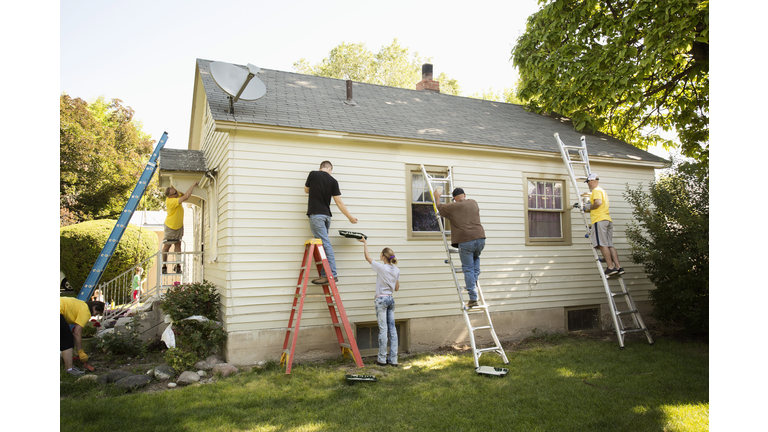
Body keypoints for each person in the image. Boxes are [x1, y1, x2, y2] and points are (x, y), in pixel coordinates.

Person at [304, 161, 358, 285]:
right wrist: (350, 217)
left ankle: (331, 274)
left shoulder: (313, 174)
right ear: (330, 169)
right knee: (323, 245)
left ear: (320, 168)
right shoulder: (333, 181)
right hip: (327, 217)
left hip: (316, 216)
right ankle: (325, 274)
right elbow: (339, 202)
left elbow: (306, 190)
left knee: (325, 245)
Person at [434, 187, 486, 308]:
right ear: (464, 195)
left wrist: (437, 196)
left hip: (466, 241)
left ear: (454, 199)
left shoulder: (453, 206)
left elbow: (440, 208)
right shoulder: (473, 202)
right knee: (476, 259)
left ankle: (473, 299)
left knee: (468, 269)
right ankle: (475, 278)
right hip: (480, 239)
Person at [358, 237, 400, 367]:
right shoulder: (396, 270)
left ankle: (382, 359)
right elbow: (397, 288)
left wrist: (365, 243)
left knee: (383, 330)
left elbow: (367, 257)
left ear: (383, 257)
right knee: (392, 330)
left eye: (381, 255)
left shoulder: (381, 268)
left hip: (381, 299)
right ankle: (393, 360)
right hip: (391, 299)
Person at [583, 173, 624, 276]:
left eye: (588, 182)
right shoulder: (603, 191)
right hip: (607, 220)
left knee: (602, 244)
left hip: (599, 220)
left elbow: (598, 203)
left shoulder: (596, 191)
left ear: (591, 181)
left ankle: (610, 267)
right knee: (610, 244)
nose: (588, 184)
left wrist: (588, 207)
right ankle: (618, 267)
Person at [60, 297, 105, 376]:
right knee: (67, 340)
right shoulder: (86, 311)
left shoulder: (81, 305)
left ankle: (68, 366)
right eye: (96, 313)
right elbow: (77, 333)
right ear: (93, 308)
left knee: (65, 338)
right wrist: (80, 352)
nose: (94, 316)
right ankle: (69, 369)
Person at [163, 182, 198, 274]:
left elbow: (184, 193)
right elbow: (186, 197)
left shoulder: (175, 196)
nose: (177, 193)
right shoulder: (171, 201)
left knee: (178, 245)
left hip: (178, 226)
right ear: (170, 196)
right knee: (167, 246)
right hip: (170, 226)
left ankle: (178, 265)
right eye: (175, 193)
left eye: (176, 191)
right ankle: (164, 266)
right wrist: (192, 185)